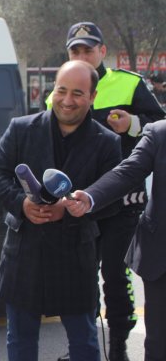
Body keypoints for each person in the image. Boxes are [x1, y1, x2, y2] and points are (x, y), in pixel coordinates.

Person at [0, 60, 123, 361]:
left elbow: (113, 198)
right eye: (62, 90)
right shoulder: (21, 129)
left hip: (75, 257)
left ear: (93, 96)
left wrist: (78, 208)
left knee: (85, 344)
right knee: (20, 343)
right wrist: (21, 204)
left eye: (78, 93)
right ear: (53, 90)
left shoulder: (108, 142)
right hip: (24, 256)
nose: (67, 100)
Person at [45, 22, 165, 361]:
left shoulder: (128, 83)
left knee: (114, 276)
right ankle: (83, 349)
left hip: (124, 205)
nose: (82, 56)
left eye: (88, 49)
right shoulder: (59, 89)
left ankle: (117, 350)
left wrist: (131, 124)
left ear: (102, 50)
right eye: (75, 51)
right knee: (78, 278)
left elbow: (158, 124)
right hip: (79, 203)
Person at [65, 119, 166, 361]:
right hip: (161, 259)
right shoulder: (160, 133)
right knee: (159, 346)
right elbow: (126, 172)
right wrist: (90, 197)